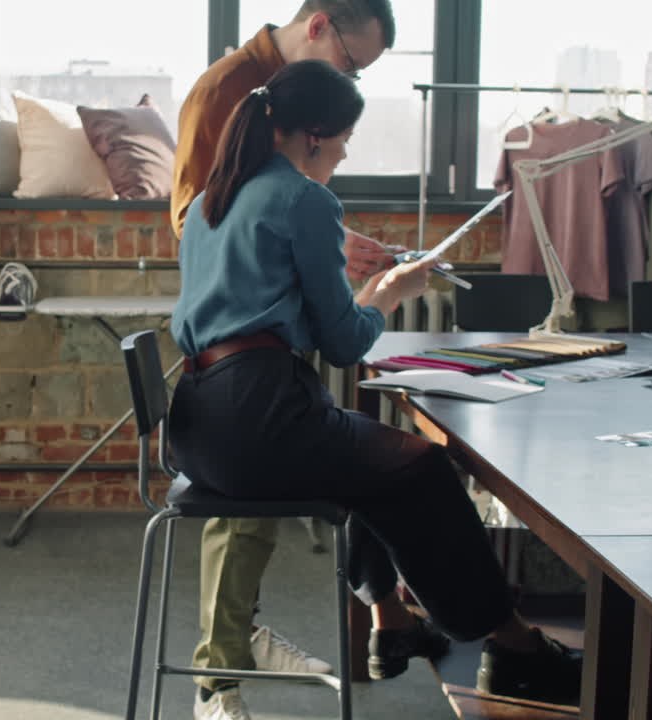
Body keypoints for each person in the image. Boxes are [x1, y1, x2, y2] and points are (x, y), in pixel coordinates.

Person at [170, 61, 583, 720]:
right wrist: (388, 296)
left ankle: (392, 620)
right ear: (312, 136)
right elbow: (342, 343)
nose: (341, 155)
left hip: (199, 426)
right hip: (260, 422)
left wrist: (351, 285)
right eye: (341, 143)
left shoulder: (211, 202)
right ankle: (511, 644)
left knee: (370, 458)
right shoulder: (306, 199)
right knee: (420, 466)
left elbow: (265, 319)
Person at [169, 2, 403, 714]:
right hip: (230, 344)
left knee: (277, 459)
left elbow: (263, 207)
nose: (350, 77)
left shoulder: (282, 107)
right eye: (352, 64)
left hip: (225, 370)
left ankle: (235, 640)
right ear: (320, 26)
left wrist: (321, 247)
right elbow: (202, 214)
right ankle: (225, 661)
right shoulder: (225, 92)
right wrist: (312, 238)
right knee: (283, 460)